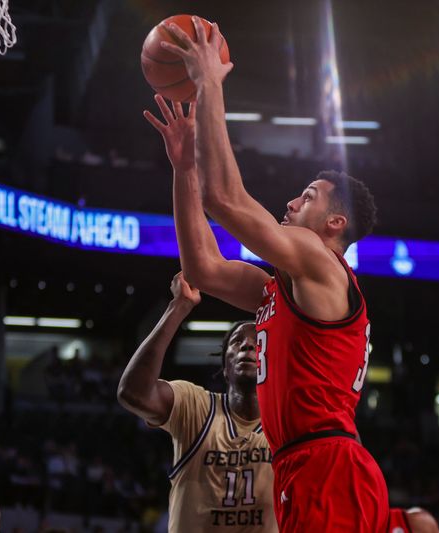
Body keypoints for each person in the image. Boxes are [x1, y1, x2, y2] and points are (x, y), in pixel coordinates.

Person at [150, 17, 387, 532]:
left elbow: (227, 201)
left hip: (326, 466)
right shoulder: (286, 288)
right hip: (306, 465)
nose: (290, 201)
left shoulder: (321, 261)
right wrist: (184, 169)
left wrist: (209, 82)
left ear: (335, 223)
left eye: (307, 196)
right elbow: (204, 269)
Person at [117, 273, 276, 532]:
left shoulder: (289, 423)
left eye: (258, 342)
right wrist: (179, 306)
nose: (248, 346)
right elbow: (133, 393)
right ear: (225, 367)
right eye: (237, 342)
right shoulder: (197, 405)